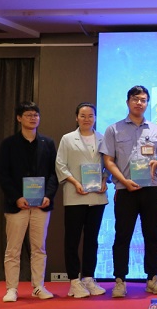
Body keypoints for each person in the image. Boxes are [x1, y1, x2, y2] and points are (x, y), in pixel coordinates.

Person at [101, 85, 157, 297]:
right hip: (125, 189)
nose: (139, 103)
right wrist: (124, 180)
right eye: (135, 99)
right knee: (122, 236)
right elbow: (108, 160)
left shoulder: (156, 130)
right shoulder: (113, 129)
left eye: (143, 100)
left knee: (152, 236)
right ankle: (120, 281)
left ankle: (152, 279)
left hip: (152, 189)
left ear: (147, 103)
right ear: (128, 102)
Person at [0, 102, 59, 302]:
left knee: (39, 248)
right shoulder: (8, 144)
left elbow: (54, 173)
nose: (33, 118)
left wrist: (48, 195)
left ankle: (38, 286)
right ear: (19, 118)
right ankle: (11, 289)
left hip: (42, 205)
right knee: (13, 249)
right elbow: (3, 174)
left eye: (36, 115)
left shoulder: (48, 143)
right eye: (28, 115)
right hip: (17, 205)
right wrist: (16, 197)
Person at [54, 102, 108, 298]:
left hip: (97, 196)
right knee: (72, 239)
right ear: (76, 117)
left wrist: (104, 179)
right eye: (83, 115)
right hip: (75, 194)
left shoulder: (102, 138)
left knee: (92, 239)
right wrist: (75, 182)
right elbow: (60, 165)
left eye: (90, 115)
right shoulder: (68, 139)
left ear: (95, 118)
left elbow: (108, 164)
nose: (87, 119)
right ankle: (74, 281)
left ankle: (88, 278)